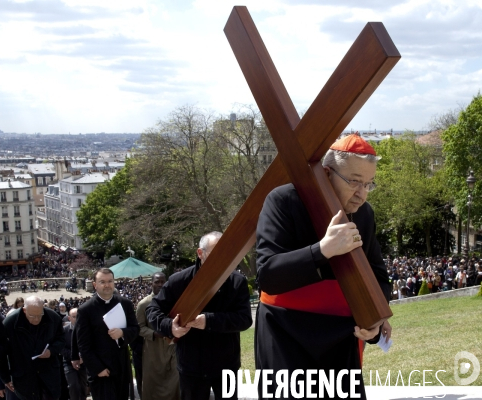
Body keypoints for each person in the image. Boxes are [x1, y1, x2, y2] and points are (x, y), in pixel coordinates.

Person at [254, 134, 392, 398]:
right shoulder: (283, 200)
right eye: (354, 181)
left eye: (368, 184)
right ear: (327, 173)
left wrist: (375, 319)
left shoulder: (364, 213)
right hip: (286, 331)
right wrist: (323, 250)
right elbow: (268, 275)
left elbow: (379, 277)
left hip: (340, 335)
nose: (361, 193)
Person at [146, 232, 253, 400]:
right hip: (191, 367)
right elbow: (153, 310)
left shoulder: (236, 281)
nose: (221, 257)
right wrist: (170, 327)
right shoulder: (179, 281)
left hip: (227, 365)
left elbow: (244, 319)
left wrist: (209, 321)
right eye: (215, 252)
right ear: (200, 253)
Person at [75, 268, 139, 400]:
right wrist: (98, 368)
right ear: (95, 285)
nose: (107, 285)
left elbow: (135, 329)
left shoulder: (125, 304)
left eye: (110, 281)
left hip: (121, 366)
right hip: (101, 370)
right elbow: (83, 345)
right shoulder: (85, 310)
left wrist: (123, 332)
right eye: (102, 282)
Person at [0, 295, 65, 400]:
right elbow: (1, 352)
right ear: (24, 310)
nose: (37, 319)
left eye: (40, 315)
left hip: (49, 374)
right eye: (33, 316)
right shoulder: (10, 323)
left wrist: (51, 351)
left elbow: (61, 339)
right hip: (24, 376)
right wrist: (5, 378)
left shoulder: (53, 317)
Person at [136, 272, 180, 400]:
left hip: (172, 346)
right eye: (157, 282)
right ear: (152, 284)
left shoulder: (173, 301)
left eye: (162, 282)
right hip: (153, 348)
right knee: (153, 381)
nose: (160, 285)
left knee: (175, 378)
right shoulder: (143, 304)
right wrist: (154, 334)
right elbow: (139, 327)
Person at [63, 308, 89, 400]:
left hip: (84, 362)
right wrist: (74, 357)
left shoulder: (86, 330)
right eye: (74, 317)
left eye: (78, 316)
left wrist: (82, 357)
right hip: (69, 363)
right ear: (69, 318)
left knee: (83, 385)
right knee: (73, 385)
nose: (77, 319)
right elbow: (62, 348)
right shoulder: (64, 331)